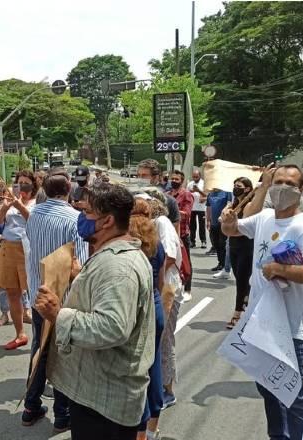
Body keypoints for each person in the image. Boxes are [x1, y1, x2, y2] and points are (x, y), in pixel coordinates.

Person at [221, 164, 303, 440]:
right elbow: (234, 230)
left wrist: (281, 269)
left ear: (301, 189)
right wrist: (228, 219)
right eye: (278, 182)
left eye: (289, 184)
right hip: (261, 322)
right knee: (267, 386)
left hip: (290, 325)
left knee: (295, 393)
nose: (282, 188)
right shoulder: (266, 217)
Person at [36, 183, 155, 440]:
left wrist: (59, 315)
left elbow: (111, 328)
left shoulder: (118, 266)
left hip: (105, 402)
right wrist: (81, 276)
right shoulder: (112, 255)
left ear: (107, 220)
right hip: (98, 392)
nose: (80, 216)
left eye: (87, 212)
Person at [22, 168, 88, 432]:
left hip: (38, 292)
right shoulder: (74, 218)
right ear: (68, 188)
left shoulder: (34, 214)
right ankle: (62, 414)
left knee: (40, 346)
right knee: (62, 353)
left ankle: (30, 405)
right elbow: (79, 266)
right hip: (62, 297)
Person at [130, 198, 166, 440]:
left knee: (133, 369)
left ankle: (137, 429)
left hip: (133, 306)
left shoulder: (126, 240)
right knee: (153, 366)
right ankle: (151, 429)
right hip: (155, 304)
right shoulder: (156, 240)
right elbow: (161, 280)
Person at [0, 170, 37, 350]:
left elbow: (35, 222)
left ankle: (42, 333)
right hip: (8, 247)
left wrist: (20, 207)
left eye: (27, 183)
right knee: (12, 292)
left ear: (33, 186)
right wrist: (5, 206)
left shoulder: (38, 202)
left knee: (34, 291)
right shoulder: (9, 201)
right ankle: (20, 334)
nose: (22, 187)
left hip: (28, 249)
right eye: (19, 183)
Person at [145, 192, 182, 410]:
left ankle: (167, 390)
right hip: (160, 284)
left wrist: (152, 277)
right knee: (157, 339)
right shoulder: (152, 224)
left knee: (165, 339)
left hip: (167, 286)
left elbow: (168, 255)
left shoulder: (162, 222)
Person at [226, 177, 254, 329]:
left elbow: (245, 226)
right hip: (233, 245)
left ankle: (237, 313)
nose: (235, 188)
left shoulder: (249, 205)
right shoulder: (233, 203)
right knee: (240, 278)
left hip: (246, 245)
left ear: (248, 189)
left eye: (239, 186)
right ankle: (247, 303)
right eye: (234, 185)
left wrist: (231, 224)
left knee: (241, 281)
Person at [168, 170, 194, 301]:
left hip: (182, 233)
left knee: (185, 261)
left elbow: (187, 213)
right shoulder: (166, 194)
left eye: (176, 179)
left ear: (182, 181)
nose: (173, 181)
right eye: (172, 178)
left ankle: (188, 289)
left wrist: (172, 210)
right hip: (168, 233)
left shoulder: (186, 195)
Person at [136, 159, 181, 231]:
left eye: (144, 176)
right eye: (138, 175)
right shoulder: (133, 199)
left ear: (155, 177)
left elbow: (175, 232)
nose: (140, 179)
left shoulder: (170, 201)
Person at [206, 185, 233, 273]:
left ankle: (225, 265)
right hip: (213, 223)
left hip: (223, 222)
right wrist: (208, 221)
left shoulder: (226, 192)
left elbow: (230, 205)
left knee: (222, 244)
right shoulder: (210, 194)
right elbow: (208, 207)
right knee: (216, 244)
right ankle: (220, 263)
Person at [187, 168, 207, 249]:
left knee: (202, 225)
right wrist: (190, 192)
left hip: (201, 207)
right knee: (192, 226)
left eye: (196, 177)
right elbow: (186, 194)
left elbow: (206, 194)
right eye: (194, 177)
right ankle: (192, 241)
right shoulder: (190, 184)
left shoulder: (204, 183)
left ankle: (203, 241)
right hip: (192, 207)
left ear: (200, 176)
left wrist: (198, 190)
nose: (195, 178)